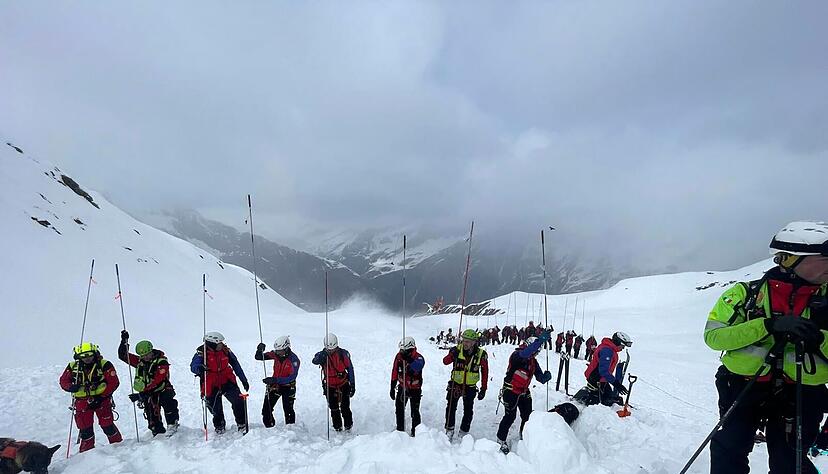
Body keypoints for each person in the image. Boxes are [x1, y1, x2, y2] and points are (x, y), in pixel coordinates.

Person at [704, 221, 828, 474]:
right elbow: (714, 337)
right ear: (792, 259)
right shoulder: (744, 294)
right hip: (743, 384)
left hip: (802, 393)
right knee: (729, 448)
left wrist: (820, 338)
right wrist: (768, 326)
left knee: (789, 461)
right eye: (825, 257)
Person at [59, 342, 122, 452]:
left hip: (102, 400)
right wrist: (70, 387)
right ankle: (86, 453)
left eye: (89, 355)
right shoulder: (73, 366)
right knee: (85, 429)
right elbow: (63, 381)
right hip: (82, 402)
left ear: (94, 353)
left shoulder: (104, 364)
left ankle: (119, 447)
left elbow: (114, 382)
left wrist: (101, 397)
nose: (87, 358)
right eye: (83, 356)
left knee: (107, 425)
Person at [496, 333, 553, 454]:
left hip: (524, 392)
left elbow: (540, 378)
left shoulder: (533, 361)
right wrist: (541, 339)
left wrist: (546, 377)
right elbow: (526, 353)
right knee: (510, 416)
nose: (536, 353)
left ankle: (524, 436)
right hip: (510, 390)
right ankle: (501, 439)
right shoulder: (517, 355)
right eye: (536, 350)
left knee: (527, 416)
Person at [119, 331, 180, 436]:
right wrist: (124, 342)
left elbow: (159, 379)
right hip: (148, 393)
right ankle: (157, 432)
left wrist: (142, 394)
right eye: (143, 355)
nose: (145, 357)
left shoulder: (161, 362)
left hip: (162, 389)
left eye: (147, 354)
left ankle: (172, 424)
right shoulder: (139, 362)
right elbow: (123, 356)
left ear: (151, 351)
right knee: (151, 414)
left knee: (169, 403)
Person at [190, 331, 250, 433]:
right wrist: (199, 368)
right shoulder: (201, 353)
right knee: (215, 408)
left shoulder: (225, 350)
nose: (222, 345)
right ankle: (219, 426)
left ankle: (242, 423)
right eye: (219, 343)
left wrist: (243, 379)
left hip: (227, 380)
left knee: (238, 400)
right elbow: (193, 366)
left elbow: (235, 364)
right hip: (210, 383)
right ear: (212, 344)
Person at [443, 329, 489, 440]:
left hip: (470, 387)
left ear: (474, 342)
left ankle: (464, 431)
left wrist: (483, 388)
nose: (465, 343)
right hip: (456, 384)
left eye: (468, 341)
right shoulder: (457, 350)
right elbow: (445, 361)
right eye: (464, 340)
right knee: (450, 407)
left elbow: (485, 372)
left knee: (468, 409)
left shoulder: (481, 355)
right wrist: (452, 354)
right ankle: (449, 429)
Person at [573, 331, 632, 406]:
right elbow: (603, 371)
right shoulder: (607, 351)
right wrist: (616, 384)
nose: (623, 348)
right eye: (623, 346)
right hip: (597, 379)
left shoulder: (608, 348)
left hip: (601, 378)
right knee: (601, 403)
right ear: (618, 342)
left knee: (609, 397)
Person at [312, 333, 355, 432]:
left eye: (333, 349)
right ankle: (337, 427)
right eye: (329, 349)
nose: (331, 351)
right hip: (330, 385)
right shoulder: (322, 354)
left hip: (343, 383)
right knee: (334, 408)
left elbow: (350, 369)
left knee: (345, 407)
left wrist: (352, 385)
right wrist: (321, 357)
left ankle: (348, 426)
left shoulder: (343, 354)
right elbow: (314, 361)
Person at [256, 335, 300, 428]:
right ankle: (269, 427)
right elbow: (259, 357)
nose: (278, 353)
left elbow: (292, 377)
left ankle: (290, 429)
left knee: (288, 409)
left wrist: (275, 379)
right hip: (275, 385)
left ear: (287, 348)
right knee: (266, 409)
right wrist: (259, 349)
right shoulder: (275, 354)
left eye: (280, 351)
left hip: (288, 386)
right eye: (277, 351)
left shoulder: (294, 360)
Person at [390, 336, 425, 436]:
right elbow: (395, 370)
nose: (401, 352)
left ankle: (416, 431)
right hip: (402, 387)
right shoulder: (399, 357)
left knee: (415, 411)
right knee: (399, 409)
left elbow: (417, 367)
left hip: (415, 389)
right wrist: (392, 386)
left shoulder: (419, 358)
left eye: (403, 350)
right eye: (401, 350)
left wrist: (409, 360)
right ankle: (400, 429)